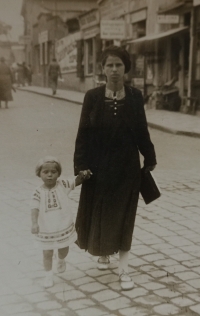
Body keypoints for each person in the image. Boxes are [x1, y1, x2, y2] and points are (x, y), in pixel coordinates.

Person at [74, 46, 157, 291]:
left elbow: (142, 130)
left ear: (126, 68)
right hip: (99, 169)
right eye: (109, 65)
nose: (114, 70)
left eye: (118, 65)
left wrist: (149, 156)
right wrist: (81, 166)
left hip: (126, 169)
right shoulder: (92, 96)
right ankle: (103, 252)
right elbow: (83, 134)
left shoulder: (135, 96)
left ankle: (124, 271)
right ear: (102, 68)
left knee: (124, 216)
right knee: (101, 213)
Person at [30, 156, 91, 288]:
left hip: (62, 226)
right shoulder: (38, 192)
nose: (50, 175)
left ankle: (61, 259)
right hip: (46, 229)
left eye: (53, 172)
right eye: (45, 172)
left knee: (64, 249)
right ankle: (48, 275)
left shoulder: (63, 185)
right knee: (47, 252)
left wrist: (83, 175)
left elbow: (75, 182)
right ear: (39, 173)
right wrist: (34, 223)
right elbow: (34, 208)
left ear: (58, 173)